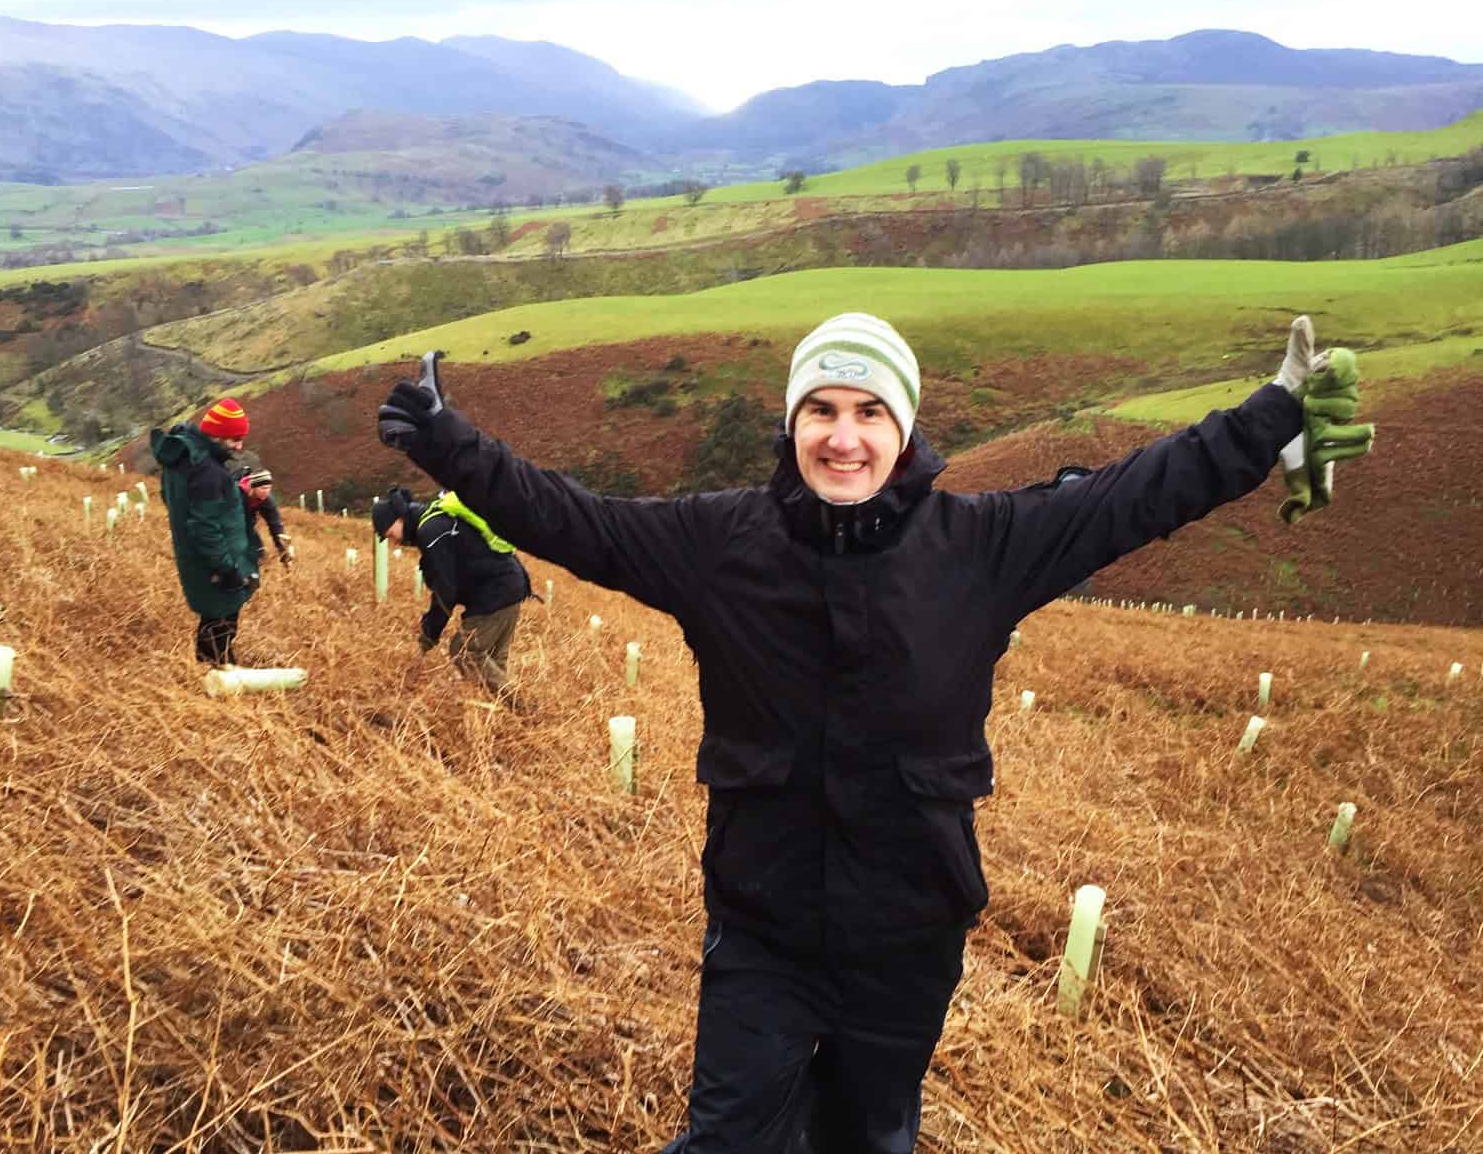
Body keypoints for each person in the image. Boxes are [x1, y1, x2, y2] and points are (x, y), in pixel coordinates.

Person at [374, 312, 1372, 1153]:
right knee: (729, 1135)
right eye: (820, 411)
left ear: (903, 429)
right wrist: (443, 440)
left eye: (867, 413)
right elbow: (572, 519)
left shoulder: (984, 545)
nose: (842, 437)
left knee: (869, 1136)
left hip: (909, 936)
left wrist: (1272, 414)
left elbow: (1146, 491)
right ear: (792, 423)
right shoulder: (718, 544)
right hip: (761, 931)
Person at [371, 486, 531, 695]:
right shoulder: (436, 518)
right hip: (511, 584)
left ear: (398, 520)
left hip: (496, 593)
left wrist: (429, 635)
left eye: (390, 534)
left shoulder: (429, 531)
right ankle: (512, 720)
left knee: (464, 652)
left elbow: (445, 591)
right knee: (492, 664)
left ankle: (527, 711)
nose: (395, 542)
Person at [150, 397, 259, 666]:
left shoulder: (183, 459)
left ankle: (213, 665)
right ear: (216, 435)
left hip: (198, 559)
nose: (239, 446)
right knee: (220, 621)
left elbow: (171, 498)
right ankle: (217, 672)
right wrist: (227, 569)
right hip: (215, 566)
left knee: (214, 621)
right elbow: (204, 527)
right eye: (234, 439)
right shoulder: (207, 472)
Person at [236, 467, 294, 569]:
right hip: (230, 526)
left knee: (259, 553)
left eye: (269, 488)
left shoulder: (266, 500)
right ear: (253, 487)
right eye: (263, 488)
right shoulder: (237, 494)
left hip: (248, 525)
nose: (266, 492)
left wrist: (283, 551)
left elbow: (275, 525)